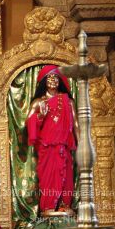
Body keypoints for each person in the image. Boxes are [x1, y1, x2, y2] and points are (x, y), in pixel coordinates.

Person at [26, 65, 79, 215]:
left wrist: (82, 145)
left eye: (56, 77)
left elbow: (76, 124)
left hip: (64, 146)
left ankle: (64, 205)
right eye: (49, 78)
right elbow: (28, 121)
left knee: (66, 176)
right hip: (47, 148)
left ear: (60, 81)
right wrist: (40, 116)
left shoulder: (68, 102)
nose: (53, 80)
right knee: (48, 176)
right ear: (44, 82)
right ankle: (48, 207)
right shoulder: (38, 102)